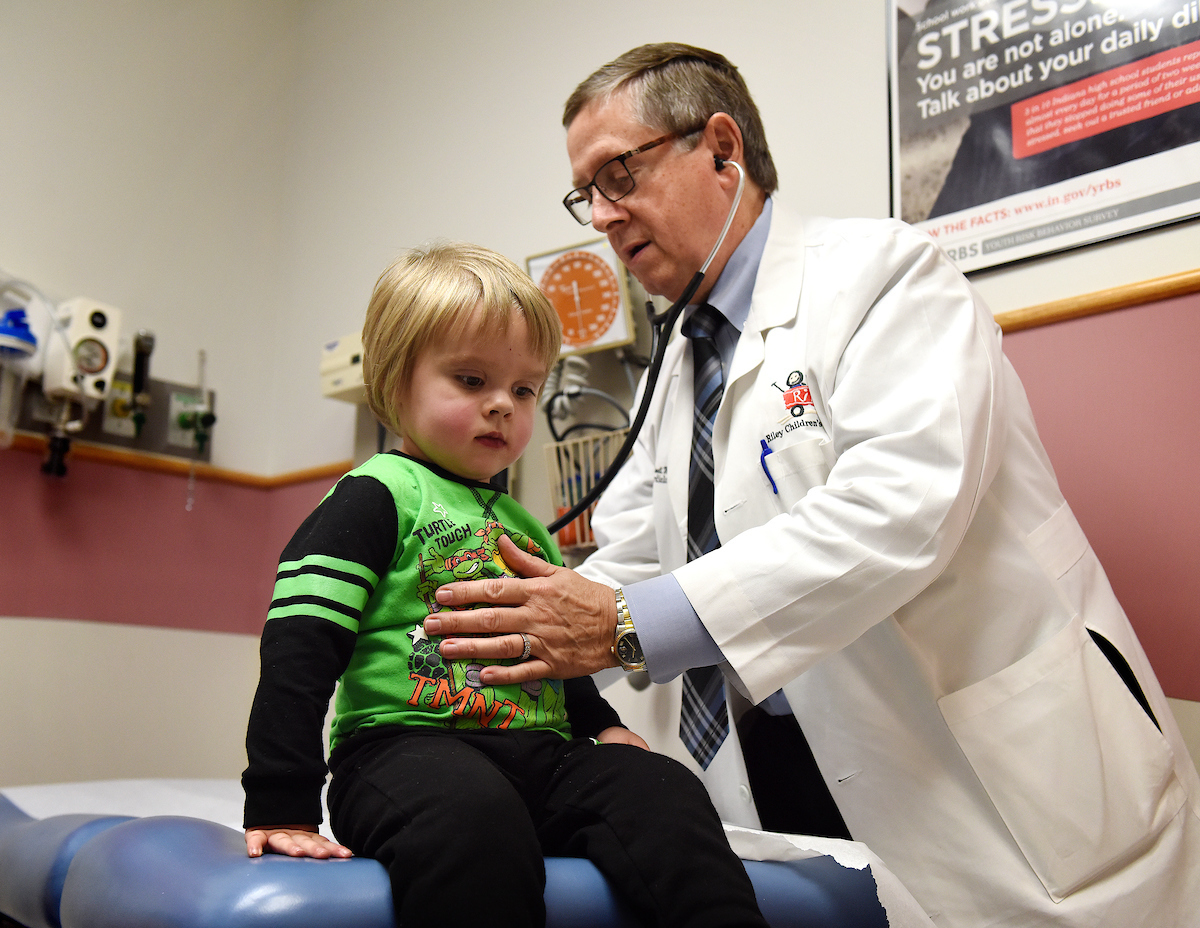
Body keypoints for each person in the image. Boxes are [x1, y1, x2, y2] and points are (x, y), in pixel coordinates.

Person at [420, 44, 1200, 928]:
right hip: (787, 773)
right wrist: (493, 631)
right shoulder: (671, 369)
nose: (600, 215)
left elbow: (901, 510)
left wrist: (623, 626)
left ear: (721, 148)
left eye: (617, 174)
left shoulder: (887, 277)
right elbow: (630, 556)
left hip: (999, 776)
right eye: (584, 194)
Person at [241, 241, 769, 928]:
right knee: (471, 820)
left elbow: (551, 647)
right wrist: (281, 800)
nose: (502, 406)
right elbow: (298, 649)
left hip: (543, 757)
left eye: (524, 389)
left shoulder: (523, 525)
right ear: (397, 381)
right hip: (404, 748)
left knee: (663, 788)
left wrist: (603, 726)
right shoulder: (375, 496)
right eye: (470, 381)